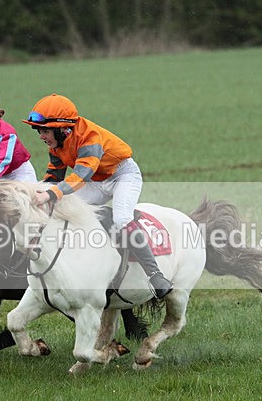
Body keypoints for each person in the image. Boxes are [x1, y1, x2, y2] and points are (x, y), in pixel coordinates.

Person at [22, 93, 173, 299]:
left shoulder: (89, 137)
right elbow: (54, 176)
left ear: (62, 128)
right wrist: (36, 193)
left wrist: (50, 194)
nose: (41, 136)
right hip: (97, 181)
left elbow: (80, 176)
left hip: (122, 176)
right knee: (62, 210)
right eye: (39, 130)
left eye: (45, 130)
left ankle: (156, 275)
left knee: (121, 218)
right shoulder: (56, 144)